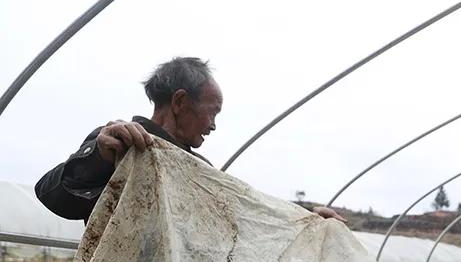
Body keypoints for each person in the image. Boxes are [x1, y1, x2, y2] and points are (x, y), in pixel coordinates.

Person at [35, 57, 344, 222]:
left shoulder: (197, 168)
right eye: (212, 113)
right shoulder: (121, 143)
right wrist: (98, 156)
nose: (212, 126)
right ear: (180, 102)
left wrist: (306, 219)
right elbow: (51, 194)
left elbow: (244, 212)